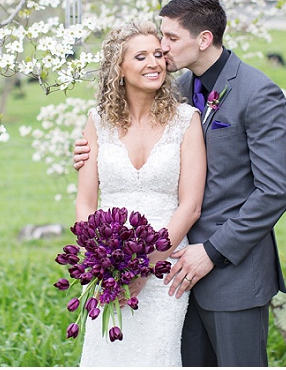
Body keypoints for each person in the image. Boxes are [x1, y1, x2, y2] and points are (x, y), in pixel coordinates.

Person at [74, 0, 286, 367]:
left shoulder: (257, 93)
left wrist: (211, 251)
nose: (162, 48)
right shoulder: (176, 90)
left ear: (203, 39)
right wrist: (88, 153)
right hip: (172, 272)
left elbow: (274, 191)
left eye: (171, 38)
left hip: (231, 271)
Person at [75, 20, 206, 367]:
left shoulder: (186, 120)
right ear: (119, 68)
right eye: (141, 56)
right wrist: (103, 263)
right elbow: (86, 202)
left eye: (159, 54)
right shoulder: (97, 122)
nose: (154, 63)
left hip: (165, 271)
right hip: (108, 271)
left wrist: (146, 267)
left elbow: (190, 206)